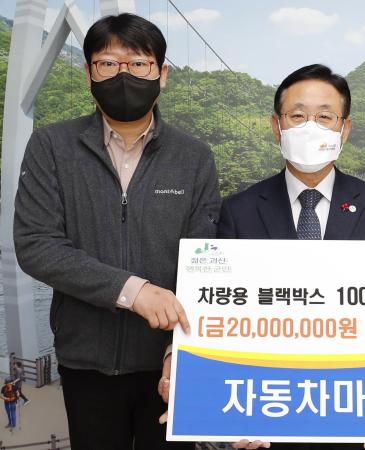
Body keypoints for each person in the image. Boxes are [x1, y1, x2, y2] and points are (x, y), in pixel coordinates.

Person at [13, 13, 220, 450]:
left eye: (139, 63)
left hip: (168, 362)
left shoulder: (194, 156)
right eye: (108, 63)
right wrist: (131, 290)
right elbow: (36, 245)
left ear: (162, 74)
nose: (124, 75)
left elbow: (206, 258)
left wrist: (178, 350)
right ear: (89, 73)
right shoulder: (51, 146)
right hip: (85, 359)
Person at [218, 64, 365, 450]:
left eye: (324, 117)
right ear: (277, 126)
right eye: (298, 116)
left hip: (355, 409)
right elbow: (224, 317)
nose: (311, 128)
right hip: (268, 409)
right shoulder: (239, 210)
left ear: (344, 129)